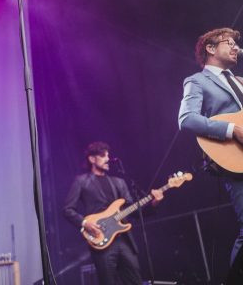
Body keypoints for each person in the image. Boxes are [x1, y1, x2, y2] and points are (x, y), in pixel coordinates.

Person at [179, 27, 243, 264]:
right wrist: (232, 130)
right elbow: (187, 119)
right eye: (230, 43)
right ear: (211, 48)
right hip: (234, 160)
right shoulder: (197, 81)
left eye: (237, 44)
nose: (236, 48)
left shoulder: (239, 81)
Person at [63, 141, 163, 285]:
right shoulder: (81, 181)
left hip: (124, 240)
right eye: (103, 155)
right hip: (101, 240)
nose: (107, 158)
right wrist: (85, 223)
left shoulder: (119, 182)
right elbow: (67, 209)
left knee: (134, 280)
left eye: (108, 155)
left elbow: (133, 210)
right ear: (92, 159)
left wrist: (154, 203)